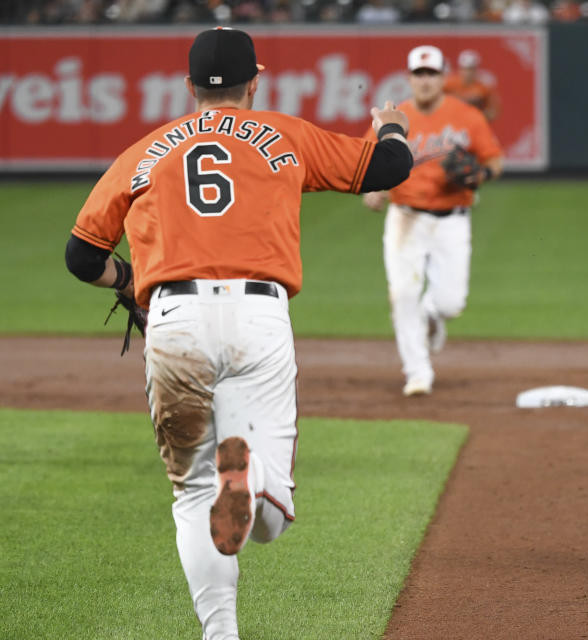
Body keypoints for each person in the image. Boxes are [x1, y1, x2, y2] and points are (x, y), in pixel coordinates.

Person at [64, 27, 412, 639]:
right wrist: (390, 125)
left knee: (191, 493)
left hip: (174, 321)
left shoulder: (145, 150)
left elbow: (81, 255)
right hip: (258, 317)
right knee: (271, 515)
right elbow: (389, 169)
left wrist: (130, 282)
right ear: (256, 80)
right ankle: (249, 478)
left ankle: (220, 633)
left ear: (188, 85)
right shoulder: (284, 133)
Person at [363, 45, 503, 397]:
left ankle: (431, 315)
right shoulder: (392, 120)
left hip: (453, 219)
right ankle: (417, 372)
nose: (425, 81)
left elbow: (494, 161)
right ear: (409, 78)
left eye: (432, 74)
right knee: (403, 293)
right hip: (405, 218)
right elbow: (365, 162)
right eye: (419, 74)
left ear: (443, 78)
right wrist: (371, 187)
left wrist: (479, 175)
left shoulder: (467, 116)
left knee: (450, 303)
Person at [443, 49, 502, 122]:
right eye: (465, 69)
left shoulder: (483, 87)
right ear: (460, 69)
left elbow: (493, 111)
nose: (468, 73)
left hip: (473, 124)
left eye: (471, 69)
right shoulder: (449, 84)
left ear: (476, 69)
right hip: (453, 123)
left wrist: (480, 116)